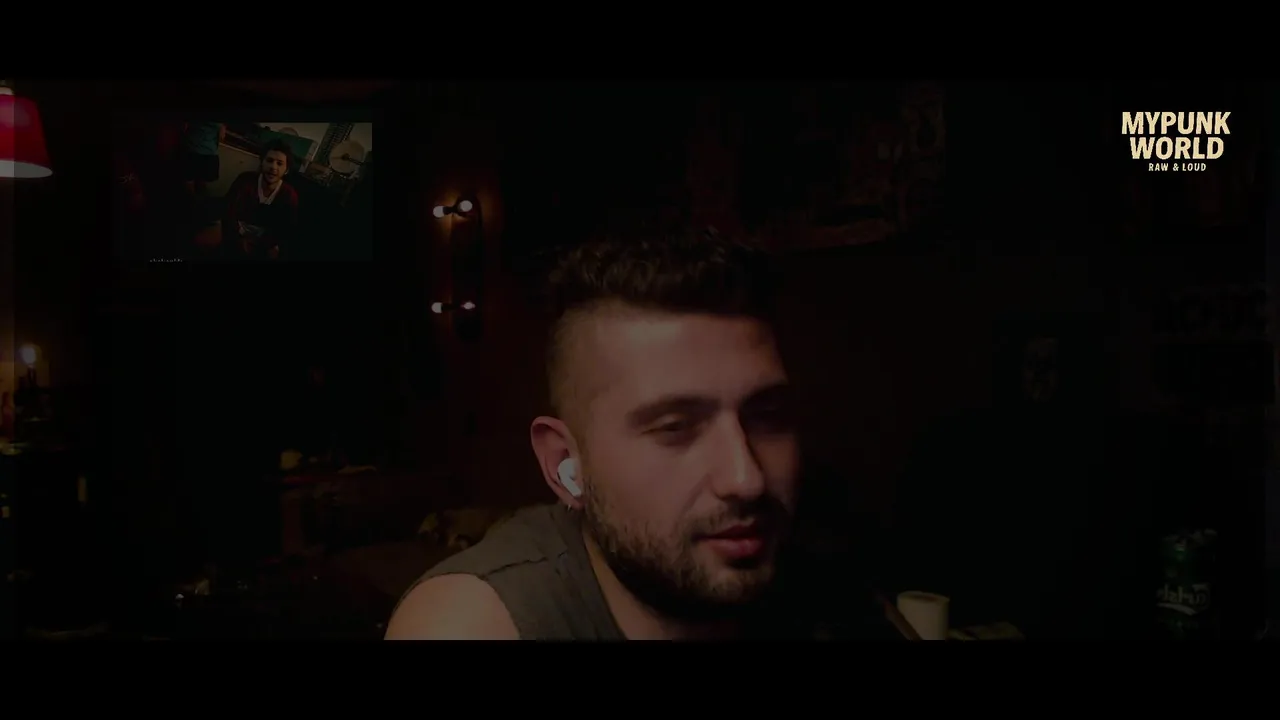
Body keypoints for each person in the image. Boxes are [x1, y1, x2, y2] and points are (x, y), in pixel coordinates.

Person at [386, 226, 807, 640]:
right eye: (675, 428)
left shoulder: (827, 571)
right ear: (564, 464)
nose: (747, 480)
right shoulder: (472, 624)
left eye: (767, 416)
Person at [221, 140, 299, 260]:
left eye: (279, 163)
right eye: (269, 161)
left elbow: (286, 228)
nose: (273, 167)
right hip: (237, 230)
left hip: (265, 240)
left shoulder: (289, 194)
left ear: (286, 170)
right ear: (262, 162)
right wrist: (238, 238)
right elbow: (228, 210)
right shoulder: (245, 180)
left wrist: (265, 243)